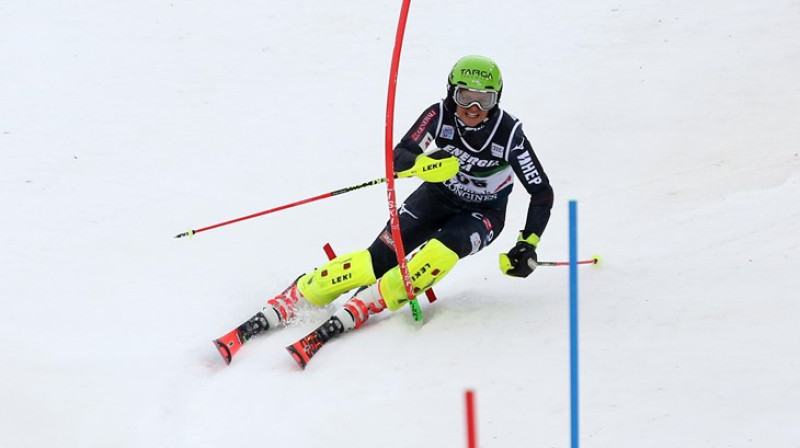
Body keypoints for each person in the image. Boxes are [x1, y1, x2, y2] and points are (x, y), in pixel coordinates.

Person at [214, 55, 554, 367]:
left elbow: (541, 192)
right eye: (465, 97)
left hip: (484, 213)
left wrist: (528, 243)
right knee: (373, 261)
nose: (474, 107)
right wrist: (421, 163)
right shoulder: (438, 115)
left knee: (437, 255)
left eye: (486, 99)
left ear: (498, 99)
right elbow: (400, 155)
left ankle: (374, 301)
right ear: (453, 93)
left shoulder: (510, 135)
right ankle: (302, 292)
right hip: (437, 196)